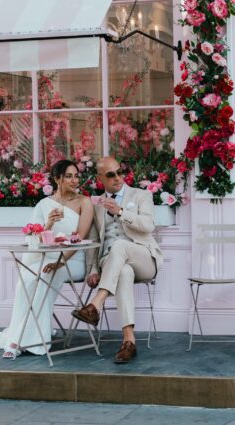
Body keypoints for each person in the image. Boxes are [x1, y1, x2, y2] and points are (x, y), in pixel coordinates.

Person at [0, 159, 94, 359]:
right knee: (28, 277)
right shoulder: (44, 205)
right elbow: (34, 238)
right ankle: (28, 335)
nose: (75, 180)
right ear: (57, 179)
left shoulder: (85, 202)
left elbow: (80, 238)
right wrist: (48, 224)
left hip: (72, 261)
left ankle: (19, 339)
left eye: (76, 176)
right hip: (46, 258)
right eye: (69, 176)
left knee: (45, 276)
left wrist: (60, 262)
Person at [72, 156, 163, 364]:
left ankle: (95, 304)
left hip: (143, 257)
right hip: (111, 261)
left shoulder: (141, 195)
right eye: (111, 175)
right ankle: (129, 342)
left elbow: (149, 226)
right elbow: (94, 239)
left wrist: (120, 212)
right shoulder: (96, 204)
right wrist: (93, 269)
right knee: (123, 272)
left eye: (120, 172)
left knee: (120, 245)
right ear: (100, 178)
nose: (117, 178)